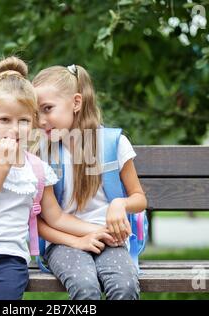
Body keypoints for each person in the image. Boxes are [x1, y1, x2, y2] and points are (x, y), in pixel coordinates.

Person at [0, 57, 114, 300]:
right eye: (4, 120)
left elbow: (56, 217)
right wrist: (2, 166)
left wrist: (94, 231)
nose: (14, 128)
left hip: (9, 263)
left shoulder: (37, 170)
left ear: (33, 122)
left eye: (23, 121)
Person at [32, 64, 147, 300]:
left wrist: (120, 205)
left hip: (111, 239)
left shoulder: (114, 143)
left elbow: (139, 198)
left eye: (47, 109)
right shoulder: (42, 153)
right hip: (63, 242)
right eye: (36, 113)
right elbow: (41, 220)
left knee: (124, 288)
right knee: (85, 288)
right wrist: (88, 236)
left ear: (76, 102)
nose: (41, 120)